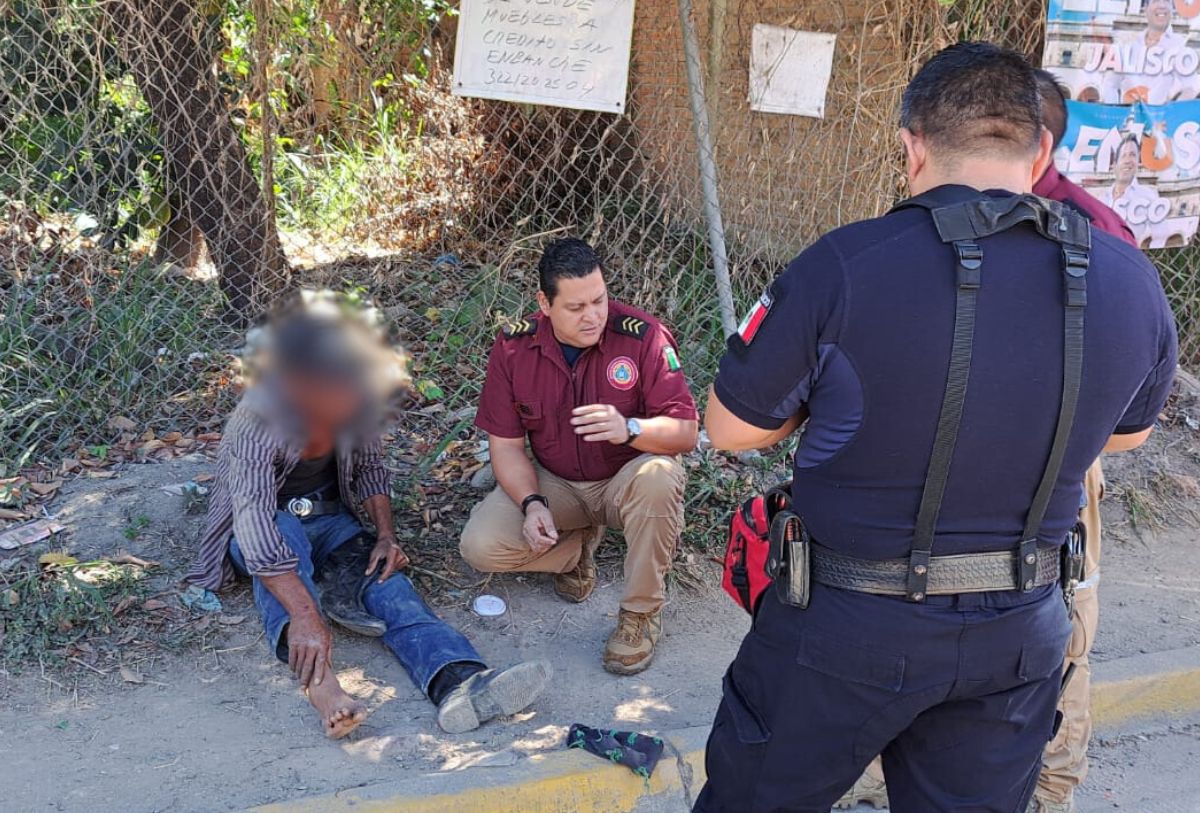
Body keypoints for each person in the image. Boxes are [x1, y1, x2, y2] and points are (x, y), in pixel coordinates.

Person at [694, 42, 1177, 813]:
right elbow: (1126, 436)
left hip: (844, 627)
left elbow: (730, 427)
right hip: (1019, 630)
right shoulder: (1127, 281)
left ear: (911, 147)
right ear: (1041, 148)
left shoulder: (846, 265)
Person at [834, 66, 1148, 813]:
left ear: (1034, 146)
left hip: (1053, 469)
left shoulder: (1095, 232)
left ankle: (1050, 784)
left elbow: (1127, 414)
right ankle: (902, 761)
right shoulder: (938, 223)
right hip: (941, 452)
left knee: (1058, 616)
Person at [185, 293, 551, 739]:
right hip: (266, 528)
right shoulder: (256, 421)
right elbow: (256, 532)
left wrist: (385, 536)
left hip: (330, 520)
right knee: (283, 549)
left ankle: (459, 681)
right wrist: (305, 614)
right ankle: (324, 689)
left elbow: (372, 469)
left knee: (386, 582)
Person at [459, 238, 699, 675]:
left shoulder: (643, 337)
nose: (592, 316)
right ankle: (575, 548)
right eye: (575, 307)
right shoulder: (515, 347)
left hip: (625, 479)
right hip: (558, 484)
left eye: (599, 300)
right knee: (481, 545)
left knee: (660, 476)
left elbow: (685, 432)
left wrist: (631, 428)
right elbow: (507, 446)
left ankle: (640, 615)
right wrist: (532, 505)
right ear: (544, 304)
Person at [1099, 0, 1198, 105]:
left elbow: (1191, 88)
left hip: (1160, 119)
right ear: (1146, 8)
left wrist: (1170, 116)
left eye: (1167, 1)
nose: (1162, 5)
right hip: (1128, 118)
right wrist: (1116, 112)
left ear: (1172, 9)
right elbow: (1110, 84)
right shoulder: (1129, 44)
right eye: (1155, 1)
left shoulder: (1179, 46)